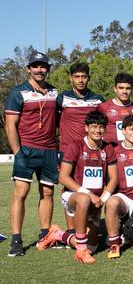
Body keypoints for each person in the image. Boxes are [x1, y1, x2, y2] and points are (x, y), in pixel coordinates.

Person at [39, 111, 118, 264]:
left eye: (101, 127)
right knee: (83, 199)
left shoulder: (107, 149)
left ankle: (58, 234)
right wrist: (90, 194)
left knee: (93, 246)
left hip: (95, 201)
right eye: (94, 127)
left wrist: (103, 198)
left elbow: (114, 178)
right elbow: (63, 177)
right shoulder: (76, 145)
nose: (98, 130)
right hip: (73, 196)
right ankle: (81, 251)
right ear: (86, 128)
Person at [5, 51, 59, 256]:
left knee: (47, 193)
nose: (39, 69)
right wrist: (18, 152)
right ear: (28, 68)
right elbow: (11, 125)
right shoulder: (18, 92)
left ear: (48, 69)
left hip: (49, 151)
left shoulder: (54, 92)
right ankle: (16, 240)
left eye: (43, 66)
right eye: (35, 66)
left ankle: (45, 235)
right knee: (21, 193)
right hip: (26, 150)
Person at [103, 115, 133, 258]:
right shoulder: (114, 150)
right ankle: (114, 243)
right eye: (131, 129)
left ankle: (127, 233)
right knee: (111, 202)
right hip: (124, 196)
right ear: (123, 130)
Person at [56, 62, 105, 152]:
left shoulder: (98, 99)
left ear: (89, 78)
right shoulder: (63, 97)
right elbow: (54, 122)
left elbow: (104, 124)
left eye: (84, 76)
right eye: (77, 76)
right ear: (71, 78)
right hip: (67, 150)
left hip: (91, 150)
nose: (80, 80)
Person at [98, 72, 133, 145]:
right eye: (121, 88)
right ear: (115, 88)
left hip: (132, 152)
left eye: (128, 88)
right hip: (111, 152)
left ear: (132, 89)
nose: (124, 91)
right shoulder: (103, 107)